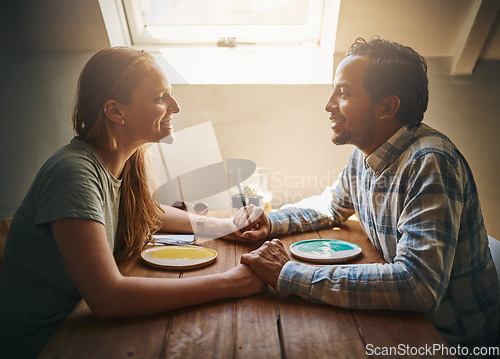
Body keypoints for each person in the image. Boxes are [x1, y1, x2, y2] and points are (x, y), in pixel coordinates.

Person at [235, 38, 499, 351]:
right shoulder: (366, 152)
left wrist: (288, 273)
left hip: (450, 343)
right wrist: (269, 222)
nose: (329, 104)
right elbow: (332, 205)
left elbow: (417, 285)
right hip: (403, 323)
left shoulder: (431, 163)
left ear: (387, 107)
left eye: (344, 93)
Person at [0, 47, 265, 358]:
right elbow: (108, 298)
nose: (176, 107)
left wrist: (224, 226)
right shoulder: (72, 173)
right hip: (46, 342)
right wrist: (232, 283)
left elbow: (147, 213)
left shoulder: (118, 160)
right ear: (115, 111)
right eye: (160, 98)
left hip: (81, 326)